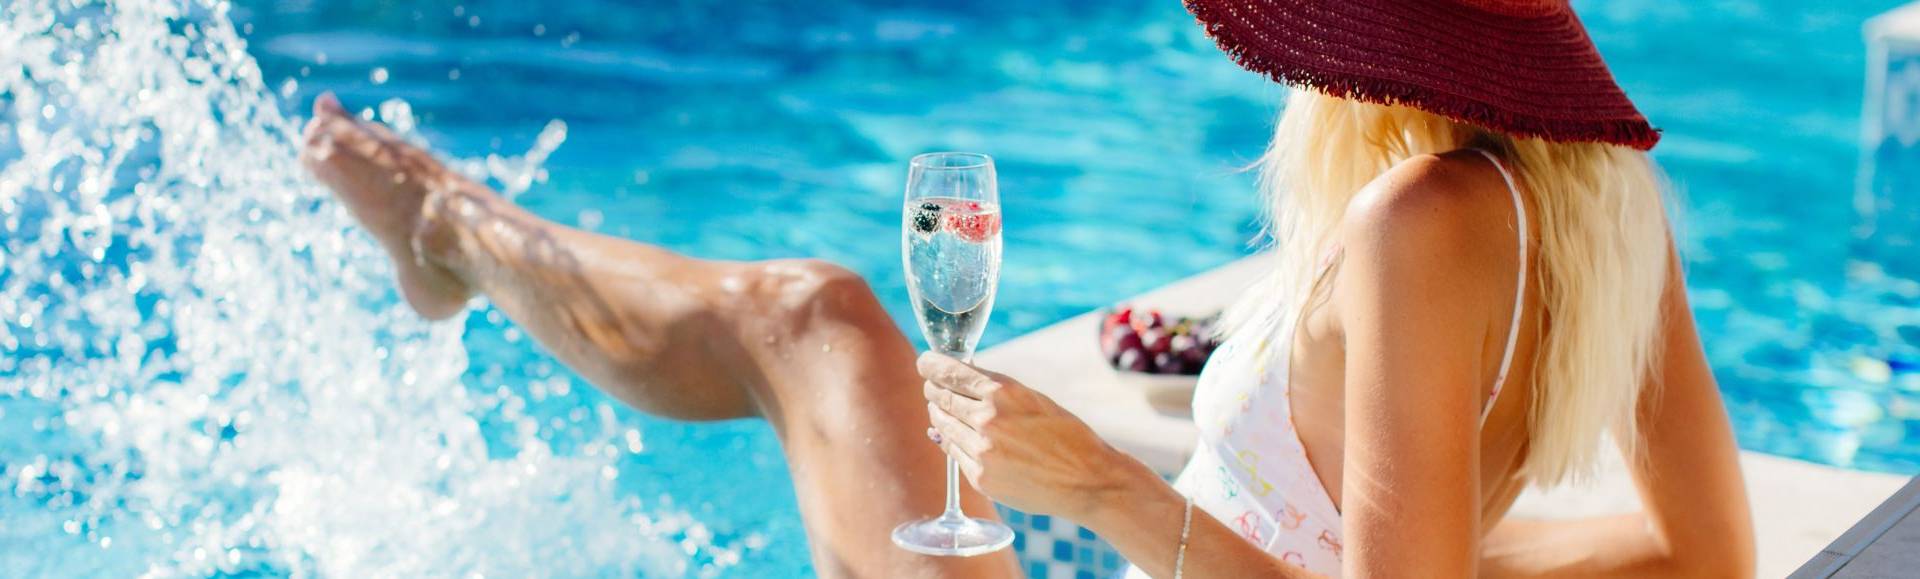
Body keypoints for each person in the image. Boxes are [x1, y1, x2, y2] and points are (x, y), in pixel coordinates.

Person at [300, 0, 1755, 576]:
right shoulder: (1607, 215)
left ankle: (449, 232)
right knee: (813, 324)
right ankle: (454, 232)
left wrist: (1110, 491)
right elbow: (1710, 562)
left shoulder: (1415, 221)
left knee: (807, 316)